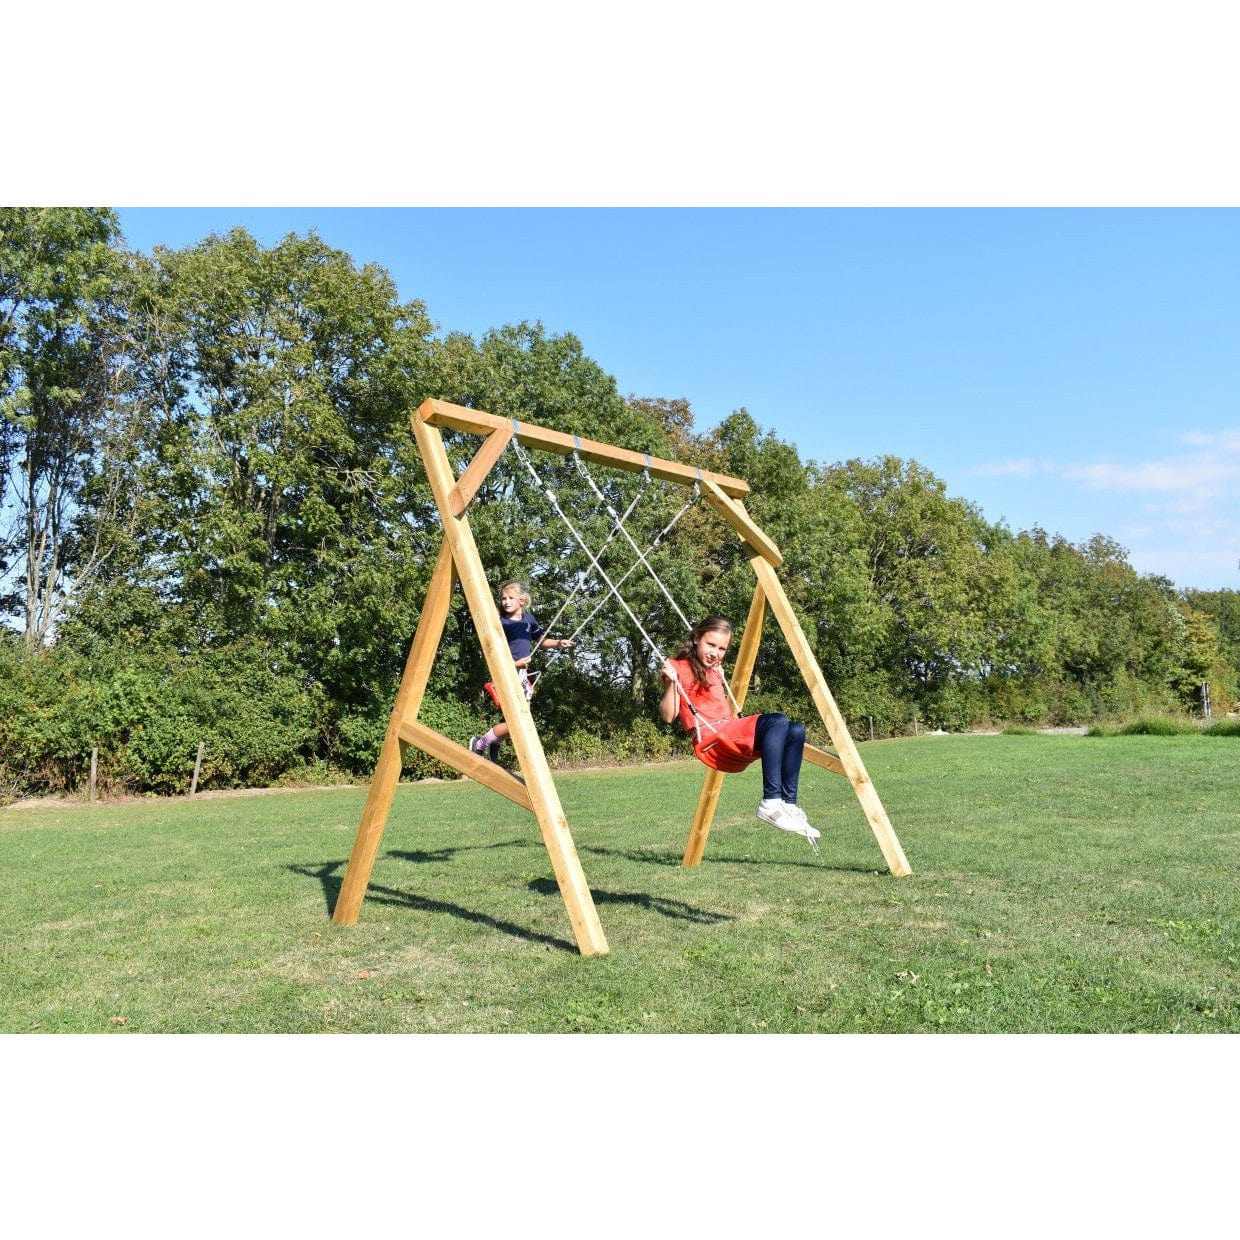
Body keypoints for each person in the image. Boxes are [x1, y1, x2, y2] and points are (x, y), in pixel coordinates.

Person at [659, 614, 819, 841]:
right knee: (777, 721)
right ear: (696, 638)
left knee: (795, 731)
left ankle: (788, 803)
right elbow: (668, 716)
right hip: (713, 739)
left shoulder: (714, 669)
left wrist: (717, 674)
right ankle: (770, 801)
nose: (715, 653)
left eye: (722, 649)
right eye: (710, 644)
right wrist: (670, 682)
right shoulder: (678, 668)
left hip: (729, 731)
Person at [470, 579, 574, 761]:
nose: (506, 601)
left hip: (521, 676)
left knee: (523, 722)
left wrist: (558, 643)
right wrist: (516, 664)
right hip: (506, 673)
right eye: (503, 598)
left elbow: (541, 642)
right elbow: (494, 653)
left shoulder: (528, 620)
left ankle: (494, 741)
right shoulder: (500, 623)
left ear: (522, 601)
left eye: (511, 598)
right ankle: (480, 744)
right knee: (517, 723)